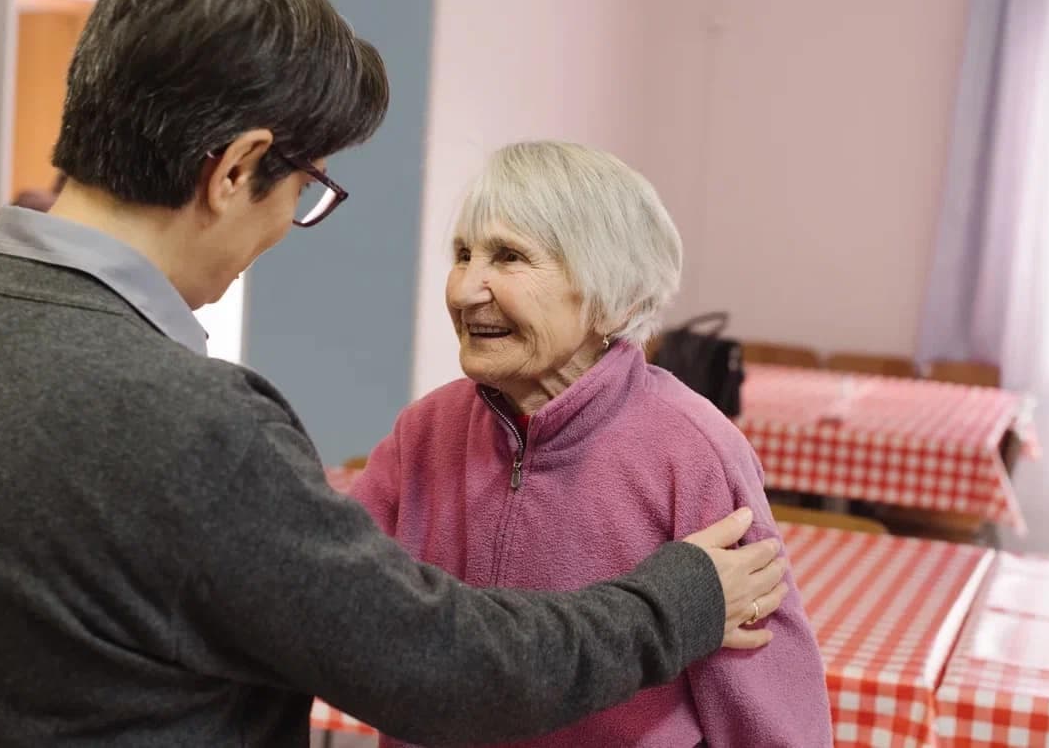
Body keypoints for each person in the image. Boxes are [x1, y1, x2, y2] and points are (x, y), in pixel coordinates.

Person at [0, 0, 788, 747]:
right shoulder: (197, 425)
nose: (470, 284)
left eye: (511, 257)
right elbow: (437, 663)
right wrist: (672, 602)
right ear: (237, 169)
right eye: (305, 188)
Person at [352, 141, 833, 747]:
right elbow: (338, 606)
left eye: (509, 257)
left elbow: (769, 710)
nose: (464, 290)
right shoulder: (423, 433)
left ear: (616, 299)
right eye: (463, 254)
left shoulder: (693, 452)